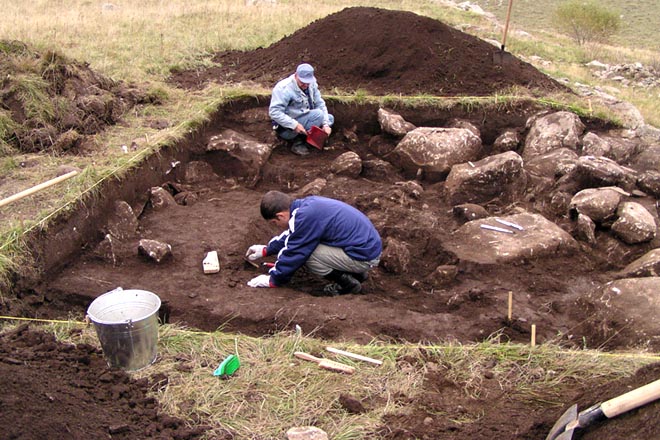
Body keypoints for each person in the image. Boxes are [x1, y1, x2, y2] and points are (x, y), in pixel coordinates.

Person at [245, 190, 381, 296]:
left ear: (280, 215)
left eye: (275, 223)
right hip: (364, 248)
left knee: (309, 255)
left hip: (364, 256)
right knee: (309, 246)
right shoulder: (306, 207)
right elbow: (294, 235)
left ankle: (347, 285)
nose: (277, 226)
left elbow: (295, 251)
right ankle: (357, 274)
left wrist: (274, 279)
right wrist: (267, 250)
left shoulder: (305, 217)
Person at [269, 63, 334, 156]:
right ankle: (297, 142)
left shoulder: (312, 84)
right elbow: (274, 112)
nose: (305, 85)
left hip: (305, 117)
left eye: (307, 83)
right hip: (286, 128)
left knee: (329, 118)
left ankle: (311, 140)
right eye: (302, 82)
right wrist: (294, 125)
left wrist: (326, 124)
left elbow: (320, 103)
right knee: (319, 115)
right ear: (296, 75)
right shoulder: (283, 88)